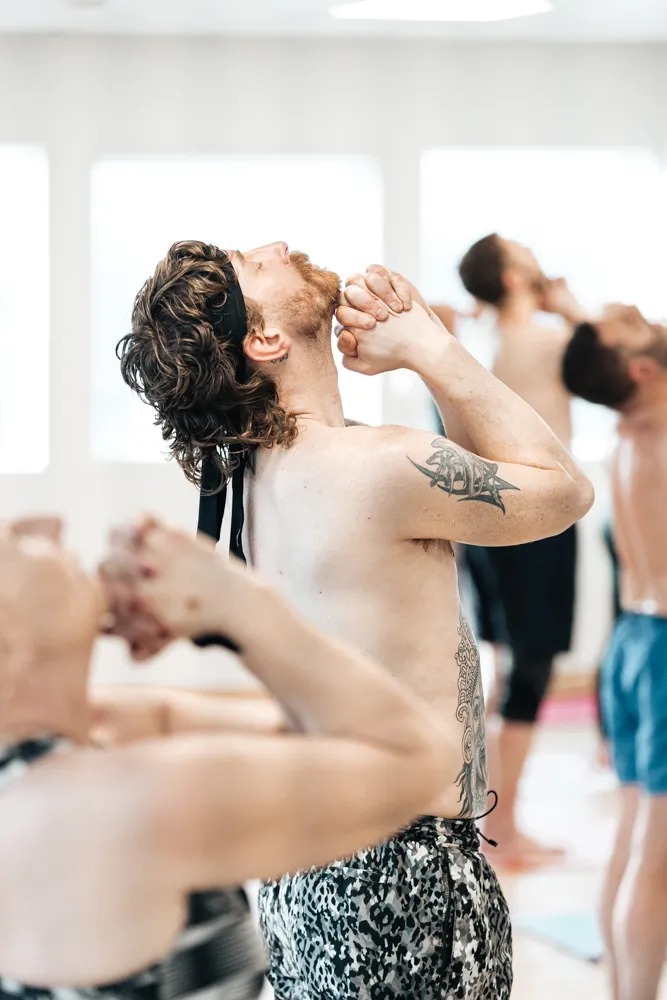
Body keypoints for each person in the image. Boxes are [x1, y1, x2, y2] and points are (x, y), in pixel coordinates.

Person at [118, 240, 594, 1000]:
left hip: (302, 861)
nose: (276, 246)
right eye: (255, 261)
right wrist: (432, 350)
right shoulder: (369, 467)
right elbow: (563, 492)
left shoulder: (256, 475)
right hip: (397, 873)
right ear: (264, 340)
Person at [0, 515, 447, 998]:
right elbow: (419, 757)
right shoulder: (105, 804)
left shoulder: (88, 739)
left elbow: (319, 735)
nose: (47, 523)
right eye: (13, 539)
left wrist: (210, 606)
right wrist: (234, 600)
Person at [442, 232, 588, 862]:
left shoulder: (494, 342)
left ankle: (496, 819)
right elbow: (617, 360)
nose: (532, 249)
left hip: (496, 522)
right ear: (510, 277)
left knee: (510, 667)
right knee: (532, 665)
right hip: (534, 520)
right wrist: (572, 309)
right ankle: (506, 827)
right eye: (518, 250)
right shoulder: (540, 341)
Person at [562, 305, 667, 1000]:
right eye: (630, 324)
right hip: (661, 650)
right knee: (655, 857)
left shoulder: (627, 432)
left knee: (633, 836)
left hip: (633, 637)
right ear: (638, 369)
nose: (639, 312)